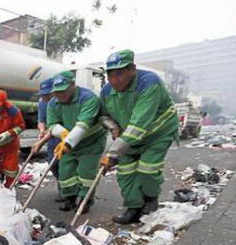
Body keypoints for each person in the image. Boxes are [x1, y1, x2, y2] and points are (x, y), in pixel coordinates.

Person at [99, 49, 179, 224]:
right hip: (129, 137)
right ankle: (133, 208)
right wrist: (112, 126)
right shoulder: (106, 91)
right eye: (110, 75)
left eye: (119, 74)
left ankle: (150, 199)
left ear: (132, 69)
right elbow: (103, 115)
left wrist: (111, 156)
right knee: (125, 172)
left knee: (147, 169)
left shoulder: (149, 83)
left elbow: (139, 124)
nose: (114, 80)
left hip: (157, 132)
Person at [46, 71, 107, 213]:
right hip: (68, 143)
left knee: (86, 173)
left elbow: (83, 125)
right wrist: (63, 133)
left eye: (64, 90)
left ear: (73, 85)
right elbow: (52, 124)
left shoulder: (89, 99)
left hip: (91, 143)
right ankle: (70, 198)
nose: (60, 95)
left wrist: (68, 141)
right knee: (66, 172)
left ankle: (86, 199)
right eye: (57, 91)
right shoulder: (53, 103)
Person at [31, 77, 64, 202]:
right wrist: (41, 131)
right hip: (51, 139)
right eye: (43, 95)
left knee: (64, 165)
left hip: (63, 136)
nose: (45, 97)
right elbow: (41, 120)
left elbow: (57, 125)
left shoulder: (60, 102)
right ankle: (63, 186)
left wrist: (42, 141)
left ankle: (66, 191)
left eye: (47, 94)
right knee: (52, 163)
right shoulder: (42, 102)